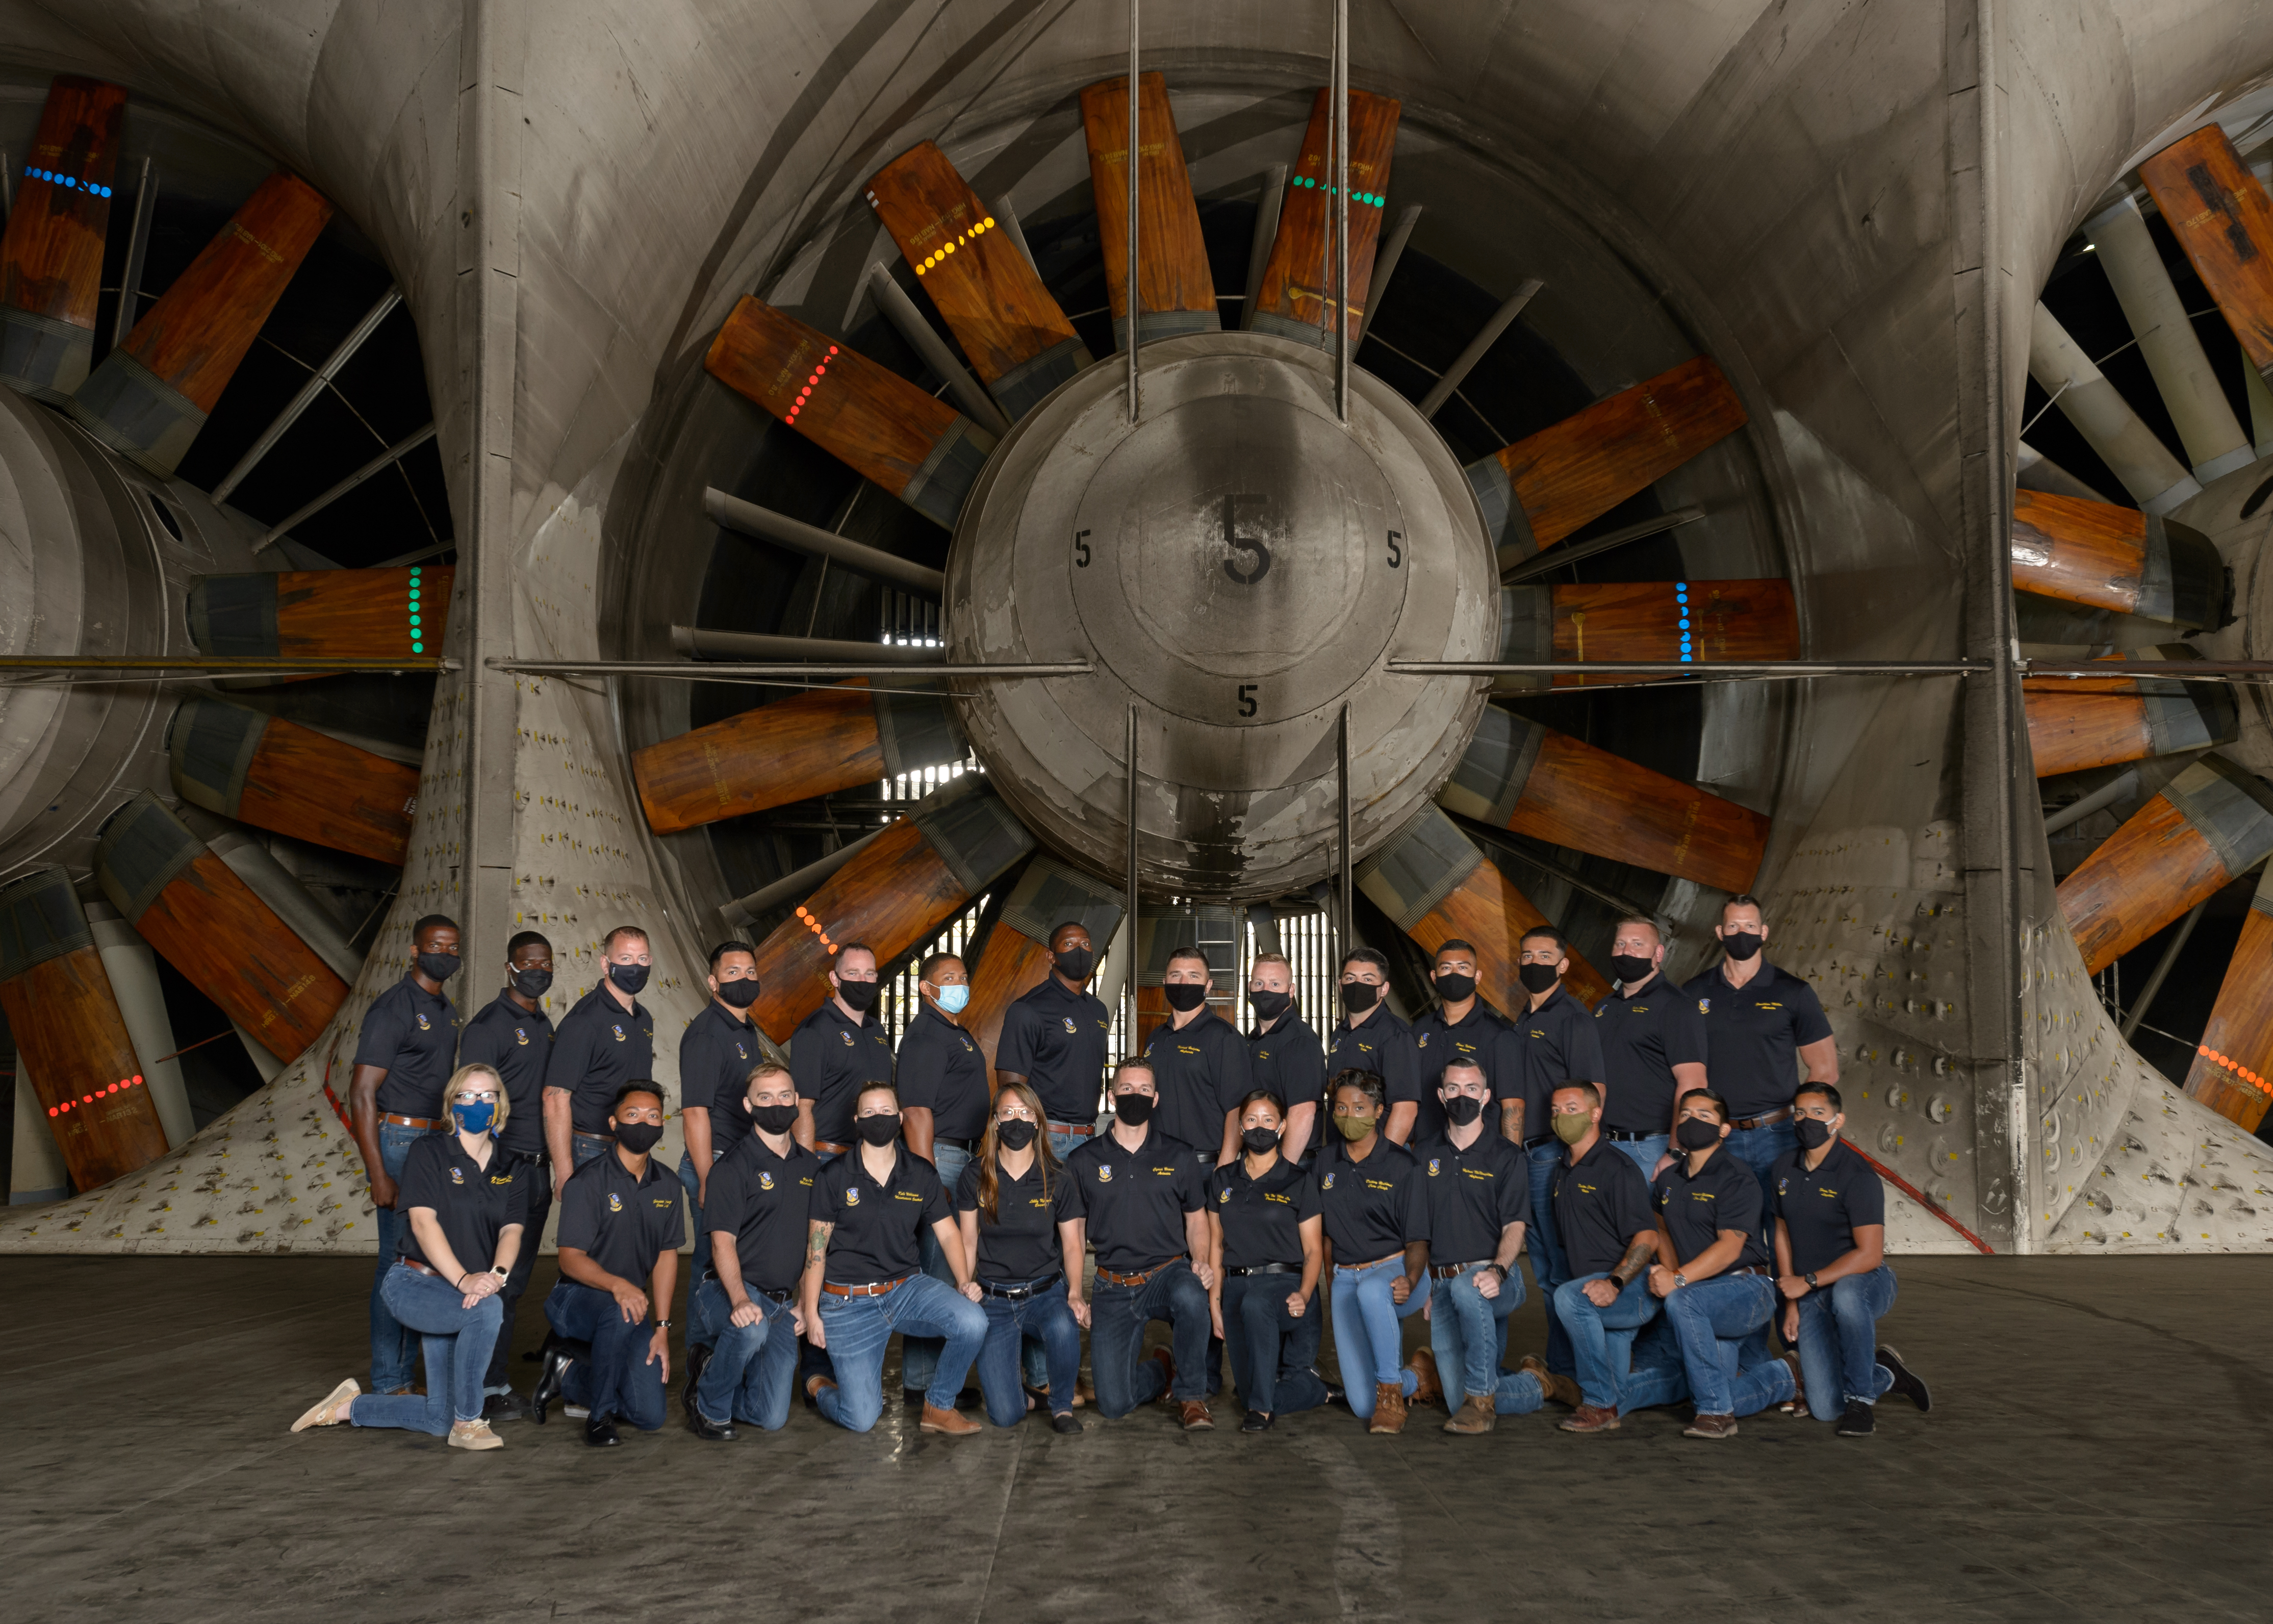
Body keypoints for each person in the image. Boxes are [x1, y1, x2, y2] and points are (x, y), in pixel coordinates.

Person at [294, 1063, 526, 1451]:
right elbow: (422, 1223)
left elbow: (512, 1230)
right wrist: (467, 1281)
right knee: (487, 1311)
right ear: (452, 1105)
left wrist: (496, 1276)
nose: (478, 1103)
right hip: (416, 1284)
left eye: (488, 1095)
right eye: (467, 1095)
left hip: (465, 1293)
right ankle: (469, 1424)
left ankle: (350, 1408)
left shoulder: (513, 1166)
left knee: (439, 1419)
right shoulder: (429, 1151)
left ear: (500, 1105)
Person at [800, 1082, 988, 1435]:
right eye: (869, 1113)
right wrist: (811, 1312)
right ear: (856, 1120)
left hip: (904, 1288)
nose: (878, 1119)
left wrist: (964, 1281)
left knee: (973, 1321)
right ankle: (817, 1385)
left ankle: (938, 1407)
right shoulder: (833, 1176)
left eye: (886, 1111)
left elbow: (948, 1233)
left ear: (900, 1118)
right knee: (860, 1419)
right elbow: (816, 1249)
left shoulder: (919, 1172)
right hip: (848, 1301)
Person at [346, 914, 463, 1399]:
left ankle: (413, 1373)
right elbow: (361, 1093)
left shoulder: (447, 1009)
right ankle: (391, 1379)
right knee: (396, 1263)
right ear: (415, 951)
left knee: (427, 1261)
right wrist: (378, 1174)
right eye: (436, 946)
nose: (446, 955)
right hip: (399, 1142)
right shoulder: (394, 1008)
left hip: (434, 1144)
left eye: (454, 948)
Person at [1063, 1061, 1217, 1429]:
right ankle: (1161, 1370)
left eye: (1145, 1089)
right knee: (1114, 1404)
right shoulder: (1083, 1161)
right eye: (1127, 1089)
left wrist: (1199, 1261)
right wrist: (1074, 1292)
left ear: (1156, 1098)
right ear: (1112, 1096)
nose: (1136, 1096)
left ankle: (1192, 1396)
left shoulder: (1179, 1155)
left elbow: (1197, 1218)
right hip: (1112, 1286)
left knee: (1192, 1294)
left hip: (1167, 1273)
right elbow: (1073, 1233)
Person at [1773, 1083, 1932, 1436]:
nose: (1806, 1120)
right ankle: (1886, 1372)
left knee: (1845, 1297)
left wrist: (1809, 1280)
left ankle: (1861, 1401)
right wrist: (1792, 1300)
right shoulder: (1784, 1168)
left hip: (1865, 1281)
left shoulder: (1856, 1175)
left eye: (1817, 1113)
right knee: (1826, 1408)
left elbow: (1869, 1254)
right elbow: (1781, 1232)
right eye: (1799, 1113)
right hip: (1811, 1292)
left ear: (1837, 1120)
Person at [533, 1081, 681, 1447]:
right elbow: (570, 1259)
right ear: (613, 1123)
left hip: (631, 1304)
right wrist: (617, 1285)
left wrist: (662, 1328)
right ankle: (599, 1419)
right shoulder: (587, 1182)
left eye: (652, 1116)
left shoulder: (668, 1184)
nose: (643, 1123)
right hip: (576, 1298)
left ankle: (565, 1373)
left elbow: (666, 1254)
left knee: (650, 1416)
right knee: (620, 1312)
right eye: (633, 1115)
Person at [1647, 1088, 1797, 1438]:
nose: (1692, 1121)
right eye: (1685, 1115)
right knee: (1717, 1388)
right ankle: (1788, 1375)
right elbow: (1660, 1228)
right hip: (1701, 1294)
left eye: (1704, 1116)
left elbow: (1731, 1248)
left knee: (1682, 1303)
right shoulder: (1668, 1179)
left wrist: (1678, 1281)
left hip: (1746, 1288)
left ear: (1724, 1130)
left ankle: (1716, 1415)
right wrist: (1670, 1273)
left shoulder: (1736, 1176)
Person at [686, 1062, 819, 1440]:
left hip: (780, 1305)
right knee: (750, 1329)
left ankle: (710, 1372)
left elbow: (816, 1245)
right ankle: (708, 1407)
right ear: (748, 1106)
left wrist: (807, 1305)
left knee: (771, 1416)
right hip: (726, 1292)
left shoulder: (810, 1167)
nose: (777, 1104)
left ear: (796, 1101)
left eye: (784, 1095)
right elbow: (721, 1242)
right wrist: (741, 1300)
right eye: (765, 1097)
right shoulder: (731, 1168)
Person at [455, 930, 555, 1422]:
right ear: (509, 968)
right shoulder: (488, 1026)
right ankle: (479, 1387)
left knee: (512, 1284)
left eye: (545, 962)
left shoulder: (543, 1023)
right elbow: (469, 1106)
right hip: (502, 1169)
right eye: (528, 962)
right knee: (488, 1280)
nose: (538, 970)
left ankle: (491, 1381)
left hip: (538, 1168)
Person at [1686, 896, 1837, 1214]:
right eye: (1734, 926)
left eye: (1750, 926)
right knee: (1724, 1231)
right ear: (1720, 932)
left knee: (1783, 1228)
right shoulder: (1693, 992)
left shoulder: (1793, 992)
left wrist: (1805, 1124)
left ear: (1764, 932)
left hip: (1778, 1135)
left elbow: (1824, 1069)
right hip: (1718, 1136)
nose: (1742, 933)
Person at [955, 1081, 1085, 1432]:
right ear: (995, 1122)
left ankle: (1061, 1407)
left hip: (1045, 1293)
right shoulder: (975, 1175)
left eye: (1026, 1113)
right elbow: (968, 1241)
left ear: (1038, 1122)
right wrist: (965, 1284)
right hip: (994, 1298)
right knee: (1005, 1415)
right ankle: (1027, 1397)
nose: (1017, 1120)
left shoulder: (1058, 1177)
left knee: (1062, 1324)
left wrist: (1074, 1293)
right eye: (1008, 1113)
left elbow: (1072, 1244)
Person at [1544, 1081, 1672, 1434]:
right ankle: (1684, 1384)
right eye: (1555, 1111)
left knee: (1568, 1297)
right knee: (1622, 1393)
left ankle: (1597, 1404)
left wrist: (1615, 1283)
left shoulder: (1618, 1168)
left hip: (1627, 1290)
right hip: (1594, 1294)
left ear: (1595, 1113)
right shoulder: (1562, 1170)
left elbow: (1648, 1234)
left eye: (1571, 1109)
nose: (1560, 1118)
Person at [1417, 1060, 1536, 1435]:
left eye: (1471, 1089)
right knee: (1457, 1402)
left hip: (1496, 1276)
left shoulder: (1507, 1156)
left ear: (1485, 1098)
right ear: (1441, 1095)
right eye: (1453, 1088)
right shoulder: (1422, 1155)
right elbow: (1419, 1229)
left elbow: (1515, 1225)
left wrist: (1498, 1270)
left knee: (1468, 1291)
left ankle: (1481, 1403)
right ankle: (1537, 1384)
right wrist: (1426, 1285)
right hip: (1443, 1284)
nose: (1462, 1096)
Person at [1316, 1070, 1438, 1433]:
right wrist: (1330, 1280)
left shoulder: (1402, 1165)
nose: (1348, 1116)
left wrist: (1410, 1278)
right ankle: (1417, 1375)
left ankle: (1390, 1392)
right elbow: (1324, 1235)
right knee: (1360, 1406)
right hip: (1344, 1278)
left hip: (1395, 1270)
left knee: (1372, 1291)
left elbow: (1418, 1240)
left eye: (1358, 1108)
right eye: (1340, 1108)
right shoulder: (1325, 1163)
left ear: (1379, 1110)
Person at [1506, 926, 1601, 1395]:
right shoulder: (1521, 1018)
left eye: (1545, 956)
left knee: (1562, 1263)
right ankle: (1562, 1365)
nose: (1534, 963)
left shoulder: (1573, 1019)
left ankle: (1577, 1369)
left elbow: (1592, 1093)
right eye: (1527, 955)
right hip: (1523, 1153)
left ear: (1563, 965)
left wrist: (1578, 1157)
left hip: (1551, 1152)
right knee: (1543, 1264)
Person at [898, 950, 994, 1405]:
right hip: (939, 1159)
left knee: (947, 1272)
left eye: (963, 976)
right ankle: (922, 1384)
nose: (959, 984)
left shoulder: (953, 1031)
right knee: (935, 1275)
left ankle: (934, 1379)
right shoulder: (924, 1037)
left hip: (963, 1158)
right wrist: (928, 1182)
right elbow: (916, 1111)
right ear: (925, 988)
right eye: (948, 978)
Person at [1206, 1089, 1330, 1433]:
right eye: (1251, 1120)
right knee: (1247, 1393)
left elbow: (1313, 1251)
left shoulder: (1298, 1180)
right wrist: (1214, 1301)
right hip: (1234, 1285)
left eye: (1268, 1120)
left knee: (1257, 1303)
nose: (1259, 1127)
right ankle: (1309, 1389)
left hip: (1283, 1286)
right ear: (1240, 1127)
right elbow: (1216, 1246)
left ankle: (1262, 1411)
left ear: (1282, 1126)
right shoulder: (1222, 1179)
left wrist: (1305, 1294)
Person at [678, 941, 766, 1302]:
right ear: (713, 982)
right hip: (715, 1164)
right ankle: (702, 1354)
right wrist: (706, 1178)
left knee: (735, 1264)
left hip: (740, 1164)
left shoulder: (743, 1030)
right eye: (733, 972)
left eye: (750, 972)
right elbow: (695, 1111)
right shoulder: (707, 1034)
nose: (743, 979)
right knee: (711, 1268)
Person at [1593, 917, 1708, 1176]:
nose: (1626, 952)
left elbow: (1693, 1083)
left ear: (1658, 954)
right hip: (1603, 1145)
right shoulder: (1604, 1007)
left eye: (1637, 944)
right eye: (1620, 944)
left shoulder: (1676, 1006)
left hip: (1650, 1148)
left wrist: (1675, 1151)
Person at [996, 921, 1112, 1163]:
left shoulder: (1099, 1010)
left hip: (1092, 1137)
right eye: (1068, 944)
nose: (1079, 950)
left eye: (1085, 944)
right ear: (1052, 956)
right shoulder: (1029, 1009)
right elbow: (1012, 1089)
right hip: (1050, 1139)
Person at [542, 926, 656, 1174]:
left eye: (642, 959)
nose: (636, 967)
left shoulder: (643, 1019)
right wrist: (564, 1174)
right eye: (625, 959)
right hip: (591, 1147)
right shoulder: (584, 1021)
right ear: (606, 964)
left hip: (633, 1147)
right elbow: (555, 1099)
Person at [1143, 946, 1253, 1166]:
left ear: (1208, 986)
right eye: (1176, 975)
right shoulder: (1156, 1037)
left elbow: (1237, 1109)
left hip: (1203, 1166)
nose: (1184, 983)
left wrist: (1224, 1168)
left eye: (1194, 976)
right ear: (1165, 982)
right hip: (1156, 1162)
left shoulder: (1225, 1038)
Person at [1408, 939, 1519, 1144]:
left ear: (1477, 977)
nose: (1454, 974)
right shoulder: (1419, 1031)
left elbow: (1512, 1106)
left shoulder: (1499, 1035)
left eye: (1463, 967)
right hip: (1426, 1157)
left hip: (1480, 1160)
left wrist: (1509, 1162)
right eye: (1446, 968)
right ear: (1434, 977)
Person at [790, 942, 892, 1157]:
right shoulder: (816, 1029)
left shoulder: (877, 1031)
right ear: (835, 979)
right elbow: (802, 1106)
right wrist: (807, 1171)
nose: (862, 981)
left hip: (869, 1157)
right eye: (853, 973)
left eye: (869, 974)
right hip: (826, 1155)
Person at [1326, 949, 1422, 1146]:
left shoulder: (1395, 1036)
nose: (1357, 985)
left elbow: (1405, 1109)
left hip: (1378, 1155)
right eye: (1350, 978)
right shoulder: (1340, 1033)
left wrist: (1382, 1162)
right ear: (1340, 985)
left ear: (1384, 988)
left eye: (1368, 980)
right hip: (1341, 1154)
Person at [1245, 952, 1327, 1160]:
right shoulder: (1252, 1040)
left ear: (1291, 990)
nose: (1265, 991)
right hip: (1259, 1161)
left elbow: (1303, 1113)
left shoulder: (1298, 1041)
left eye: (1275, 984)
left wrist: (1284, 1171)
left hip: (1292, 1161)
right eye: (1259, 983)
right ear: (1250, 988)